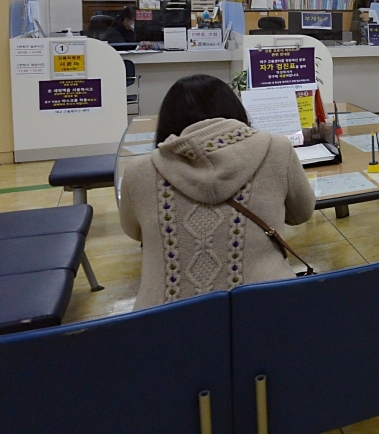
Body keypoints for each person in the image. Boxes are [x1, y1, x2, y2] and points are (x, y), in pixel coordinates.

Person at [120, 74, 315, 309]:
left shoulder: (138, 171)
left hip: (165, 321)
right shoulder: (277, 149)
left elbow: (133, 231)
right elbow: (302, 213)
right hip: (268, 305)